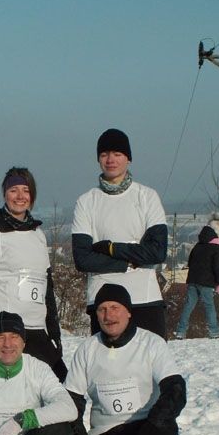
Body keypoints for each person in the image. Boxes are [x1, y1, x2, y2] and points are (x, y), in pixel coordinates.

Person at [65, 284, 187, 435]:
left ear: (128, 312)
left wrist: (155, 422)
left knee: (166, 427)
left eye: (115, 308)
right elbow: (71, 400)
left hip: (145, 430)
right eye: (102, 309)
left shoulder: (150, 343)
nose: (108, 315)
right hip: (105, 434)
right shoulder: (88, 349)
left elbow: (175, 389)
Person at [0, 166, 67, 382]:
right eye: (14, 190)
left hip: (37, 329)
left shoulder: (38, 235)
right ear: (5, 194)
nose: (20, 196)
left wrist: (54, 331)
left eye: (26, 190)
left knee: (62, 383)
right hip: (9, 332)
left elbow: (47, 289)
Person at [72, 129, 168, 339]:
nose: (110, 160)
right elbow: (83, 259)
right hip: (103, 301)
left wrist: (110, 248)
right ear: (98, 159)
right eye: (104, 154)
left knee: (152, 358)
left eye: (117, 154)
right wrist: (128, 263)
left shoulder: (147, 197)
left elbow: (157, 252)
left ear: (128, 159)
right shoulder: (86, 202)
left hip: (145, 298)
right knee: (106, 360)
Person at [175, 217, 219, 340]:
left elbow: (190, 262)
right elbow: (218, 267)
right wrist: (218, 282)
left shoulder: (197, 246)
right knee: (209, 306)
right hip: (207, 282)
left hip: (193, 280)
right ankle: (214, 332)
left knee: (188, 306)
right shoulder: (217, 247)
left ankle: (180, 332)